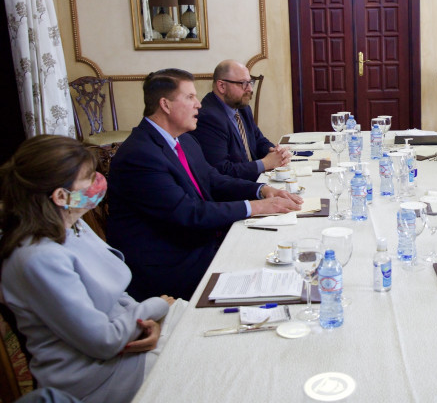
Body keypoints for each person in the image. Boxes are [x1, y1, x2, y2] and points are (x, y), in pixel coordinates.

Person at [0, 135, 173, 403]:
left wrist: (147, 323)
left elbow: (114, 292)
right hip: (97, 376)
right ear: (61, 196)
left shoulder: (71, 221)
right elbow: (103, 341)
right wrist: (155, 307)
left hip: (124, 341)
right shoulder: (38, 258)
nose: (98, 182)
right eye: (90, 178)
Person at [107, 69, 302, 301]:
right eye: (190, 97)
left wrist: (261, 190)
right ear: (165, 105)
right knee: (274, 272)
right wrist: (256, 207)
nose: (198, 104)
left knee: (286, 251)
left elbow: (213, 179)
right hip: (172, 264)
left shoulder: (184, 139)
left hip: (202, 242)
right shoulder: (140, 155)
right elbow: (188, 212)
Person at [191, 60, 291, 180]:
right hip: (235, 187)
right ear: (222, 86)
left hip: (253, 179)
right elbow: (222, 170)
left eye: (250, 82)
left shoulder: (242, 108)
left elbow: (258, 139)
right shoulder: (208, 118)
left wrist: (274, 151)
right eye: (243, 83)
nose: (250, 89)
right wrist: (265, 163)